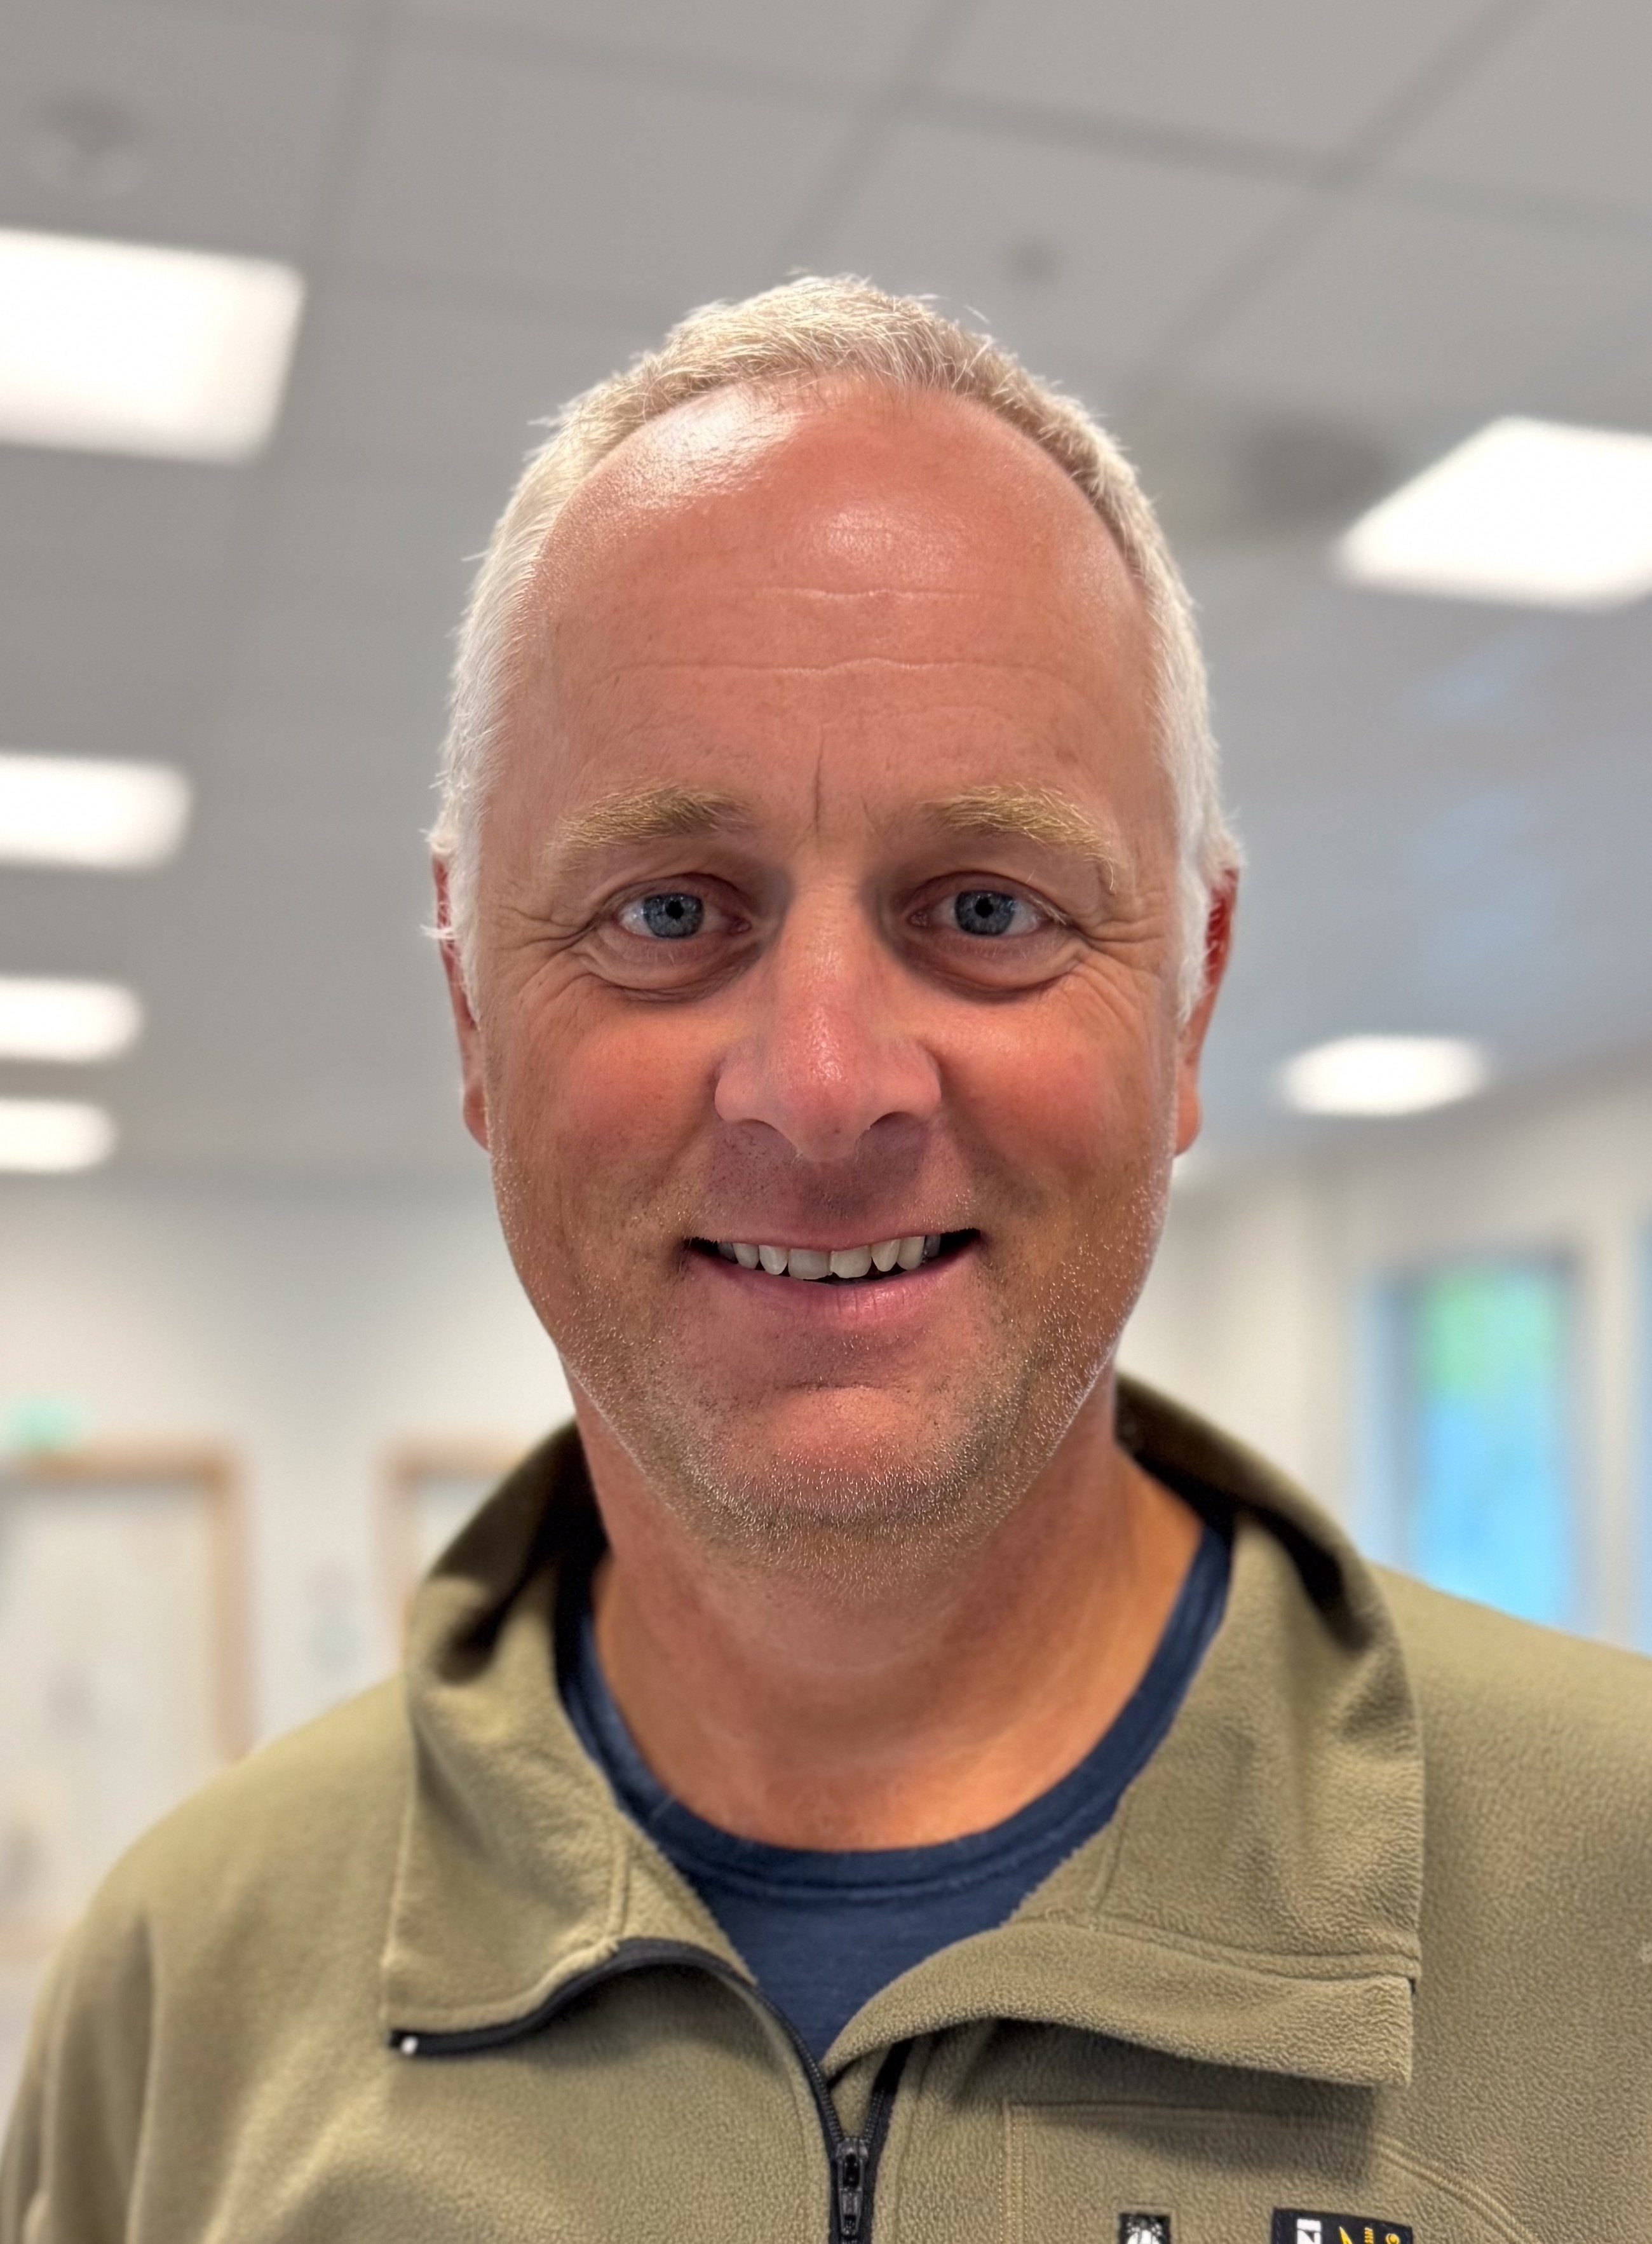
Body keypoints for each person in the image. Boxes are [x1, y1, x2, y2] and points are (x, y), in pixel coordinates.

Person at [4, 278, 1648, 2244]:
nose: (823, 1084)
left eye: (987, 907)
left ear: (1193, 994)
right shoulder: (181, 2004)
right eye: (668, 910)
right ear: (469, 1006)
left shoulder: (1617, 1903)